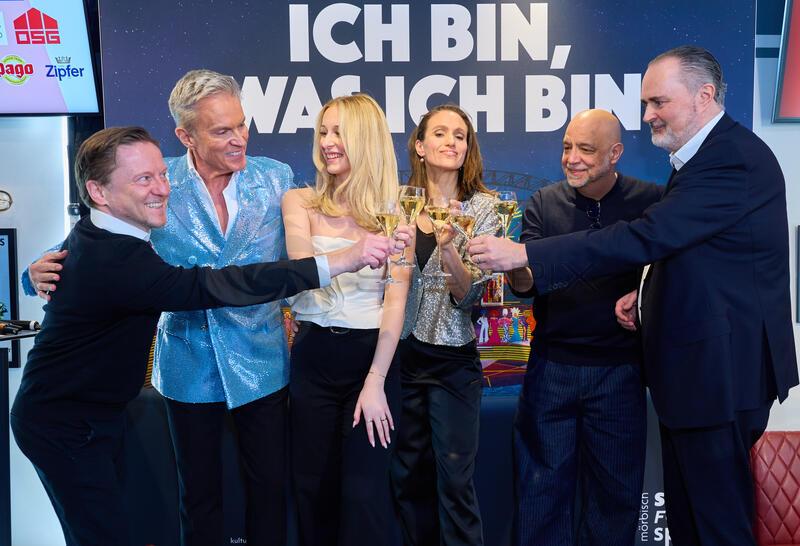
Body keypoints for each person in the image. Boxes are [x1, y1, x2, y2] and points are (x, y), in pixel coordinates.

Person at [468, 46, 798, 546]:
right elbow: (694, 255)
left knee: (717, 524)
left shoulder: (729, 160)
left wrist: (524, 256)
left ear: (704, 95)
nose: (647, 115)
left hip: (720, 374)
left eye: (658, 102)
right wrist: (644, 295)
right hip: (702, 374)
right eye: (646, 104)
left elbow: (646, 237)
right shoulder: (703, 159)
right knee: (692, 521)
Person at [10, 126, 393, 546]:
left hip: (89, 415)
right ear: (99, 192)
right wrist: (337, 262)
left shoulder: (101, 234)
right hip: (66, 423)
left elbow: (68, 256)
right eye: (143, 179)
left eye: (161, 175)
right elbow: (213, 286)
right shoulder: (119, 260)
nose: (161, 189)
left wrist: (35, 274)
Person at [26, 69, 297, 546]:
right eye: (221, 130)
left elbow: (299, 249)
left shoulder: (276, 177)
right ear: (185, 135)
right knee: (198, 496)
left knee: (270, 491)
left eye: (241, 124)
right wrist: (35, 273)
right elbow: (96, 244)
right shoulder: (154, 180)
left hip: (261, 358)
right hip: (186, 362)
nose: (239, 139)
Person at [505, 109, 662, 546]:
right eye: (566, 147)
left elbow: (672, 271)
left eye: (585, 150)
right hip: (551, 370)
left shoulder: (651, 201)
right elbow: (526, 285)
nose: (571, 158)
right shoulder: (542, 203)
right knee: (540, 494)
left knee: (615, 499)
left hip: (621, 372)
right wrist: (517, 263)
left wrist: (644, 296)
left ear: (615, 154)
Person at [281, 93, 410, 546]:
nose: (328, 142)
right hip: (313, 354)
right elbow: (300, 269)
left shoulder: (399, 213)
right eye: (323, 131)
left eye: (339, 132)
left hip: (372, 358)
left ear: (366, 139)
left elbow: (396, 302)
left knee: (365, 496)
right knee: (312, 490)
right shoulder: (299, 201)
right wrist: (355, 254)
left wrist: (375, 381)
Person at [390, 104, 499, 546]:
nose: (451, 142)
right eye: (440, 133)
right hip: (400, 356)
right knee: (406, 477)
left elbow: (469, 294)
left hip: (453, 361)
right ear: (420, 146)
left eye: (460, 135)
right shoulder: (396, 203)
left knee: (455, 480)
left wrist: (448, 245)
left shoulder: (485, 208)